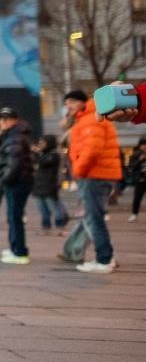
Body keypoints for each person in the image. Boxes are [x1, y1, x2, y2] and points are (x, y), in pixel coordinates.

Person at [60, 90, 120, 273]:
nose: (67, 106)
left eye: (70, 101)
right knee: (94, 218)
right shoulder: (86, 118)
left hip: (94, 176)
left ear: (81, 102)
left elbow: (92, 150)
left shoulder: (92, 118)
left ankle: (104, 260)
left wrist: (78, 171)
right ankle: (106, 257)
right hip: (96, 175)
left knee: (95, 219)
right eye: (66, 103)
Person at [0, 107, 34, 264]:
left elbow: (15, 163)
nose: (3, 122)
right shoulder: (10, 135)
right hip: (16, 180)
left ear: (15, 120)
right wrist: (0, 135)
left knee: (15, 217)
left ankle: (20, 252)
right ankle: (15, 248)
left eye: (6, 119)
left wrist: (3, 180)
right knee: (13, 216)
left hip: (17, 181)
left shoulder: (16, 137)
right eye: (1, 119)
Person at [32, 135, 68, 234]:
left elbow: (43, 162)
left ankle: (61, 227)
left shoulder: (54, 155)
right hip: (39, 186)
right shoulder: (42, 154)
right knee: (43, 210)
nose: (40, 145)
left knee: (55, 208)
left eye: (43, 142)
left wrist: (37, 153)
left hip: (50, 186)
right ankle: (46, 227)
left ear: (49, 143)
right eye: (40, 142)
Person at [128, 138, 146, 224]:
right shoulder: (136, 154)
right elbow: (132, 167)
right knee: (137, 198)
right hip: (140, 180)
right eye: (144, 145)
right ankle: (134, 214)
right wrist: (140, 160)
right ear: (140, 145)